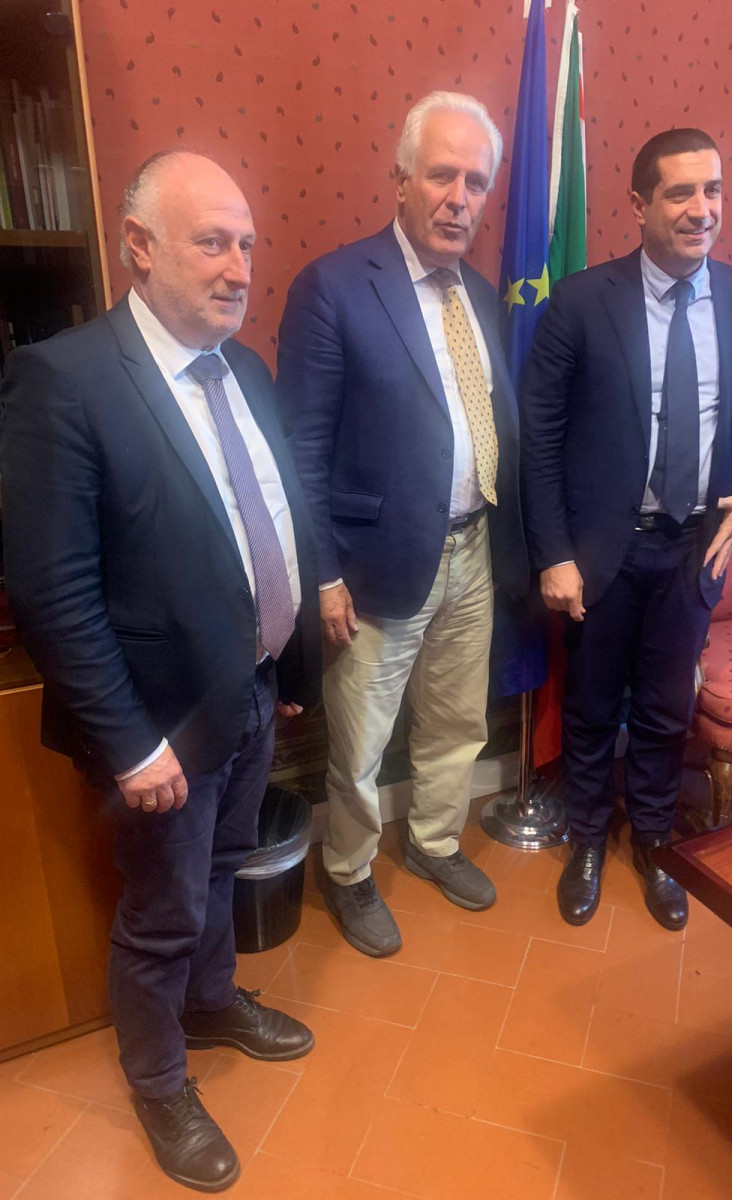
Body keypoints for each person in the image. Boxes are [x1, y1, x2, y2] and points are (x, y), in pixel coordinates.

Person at [0, 150, 322, 1193]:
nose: (239, 268)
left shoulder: (247, 371)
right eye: (212, 242)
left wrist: (288, 661)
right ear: (139, 246)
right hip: (160, 726)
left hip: (251, 692)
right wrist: (131, 746)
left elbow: (268, 521)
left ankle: (212, 1004)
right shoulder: (64, 380)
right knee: (164, 910)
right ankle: (158, 1079)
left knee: (225, 869)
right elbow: (54, 593)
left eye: (247, 245)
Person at [277, 92, 528, 958]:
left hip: (473, 546)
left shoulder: (482, 297)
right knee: (360, 743)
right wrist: (322, 574)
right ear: (401, 180)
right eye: (442, 175)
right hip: (372, 566)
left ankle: (433, 841)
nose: (460, 198)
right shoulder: (334, 287)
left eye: (476, 182)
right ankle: (347, 870)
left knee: (458, 721)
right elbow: (300, 450)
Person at [519, 128, 732, 931]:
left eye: (713, 190)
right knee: (593, 706)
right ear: (638, 205)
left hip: (693, 549)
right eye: (680, 193)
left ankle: (655, 842)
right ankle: (587, 841)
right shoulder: (580, 301)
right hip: (603, 550)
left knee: (668, 711)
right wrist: (554, 554)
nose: (701, 209)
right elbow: (540, 436)